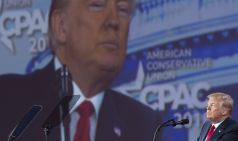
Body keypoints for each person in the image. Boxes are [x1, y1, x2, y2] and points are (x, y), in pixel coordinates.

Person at [0, 0, 162, 141]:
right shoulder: (6, 99)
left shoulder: (144, 126)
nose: (114, 20)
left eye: (123, 9)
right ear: (61, 26)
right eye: (97, 5)